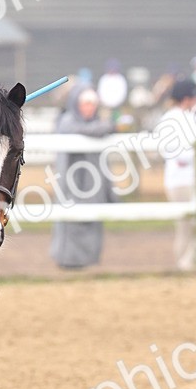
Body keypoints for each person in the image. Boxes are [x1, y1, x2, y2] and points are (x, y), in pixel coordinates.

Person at [50, 85, 117, 270]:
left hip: (93, 183)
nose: (89, 108)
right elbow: (90, 130)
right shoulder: (68, 121)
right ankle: (67, 260)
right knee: (70, 222)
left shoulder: (96, 124)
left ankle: (88, 260)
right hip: (72, 183)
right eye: (86, 103)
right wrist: (107, 127)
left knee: (92, 222)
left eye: (92, 104)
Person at [156, 77, 196, 271]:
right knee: (185, 225)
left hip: (193, 178)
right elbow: (169, 150)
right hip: (180, 179)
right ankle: (185, 262)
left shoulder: (193, 118)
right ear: (187, 99)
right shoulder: (170, 120)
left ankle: (189, 259)